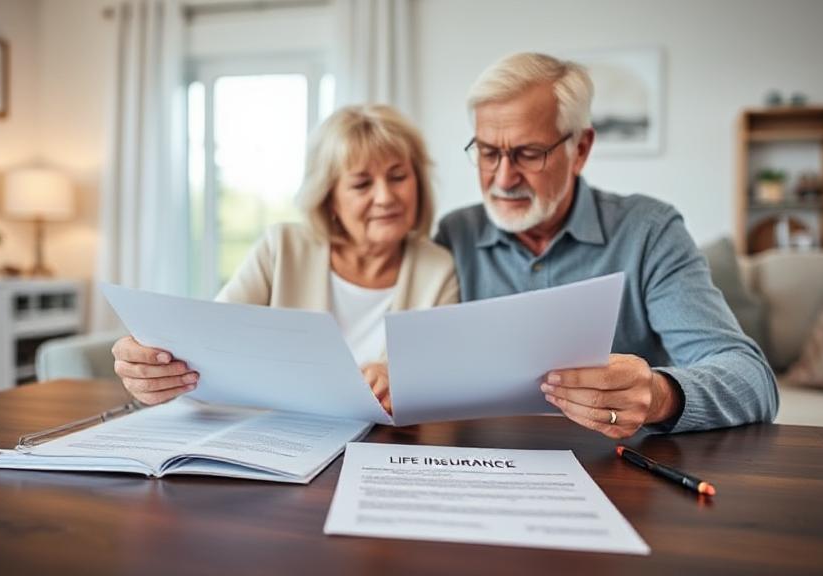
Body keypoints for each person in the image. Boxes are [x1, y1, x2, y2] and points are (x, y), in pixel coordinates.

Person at [436, 52, 778, 438]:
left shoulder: (649, 232)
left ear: (580, 149)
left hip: (620, 474)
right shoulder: (454, 235)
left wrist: (660, 395)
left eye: (528, 154)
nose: (503, 177)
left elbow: (752, 380)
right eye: (487, 152)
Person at [113, 104, 459, 412]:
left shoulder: (438, 267)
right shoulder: (281, 247)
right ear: (330, 198)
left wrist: (395, 377)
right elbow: (209, 342)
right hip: (280, 436)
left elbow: (440, 376)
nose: (385, 197)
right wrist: (151, 362)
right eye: (361, 184)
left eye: (398, 177)